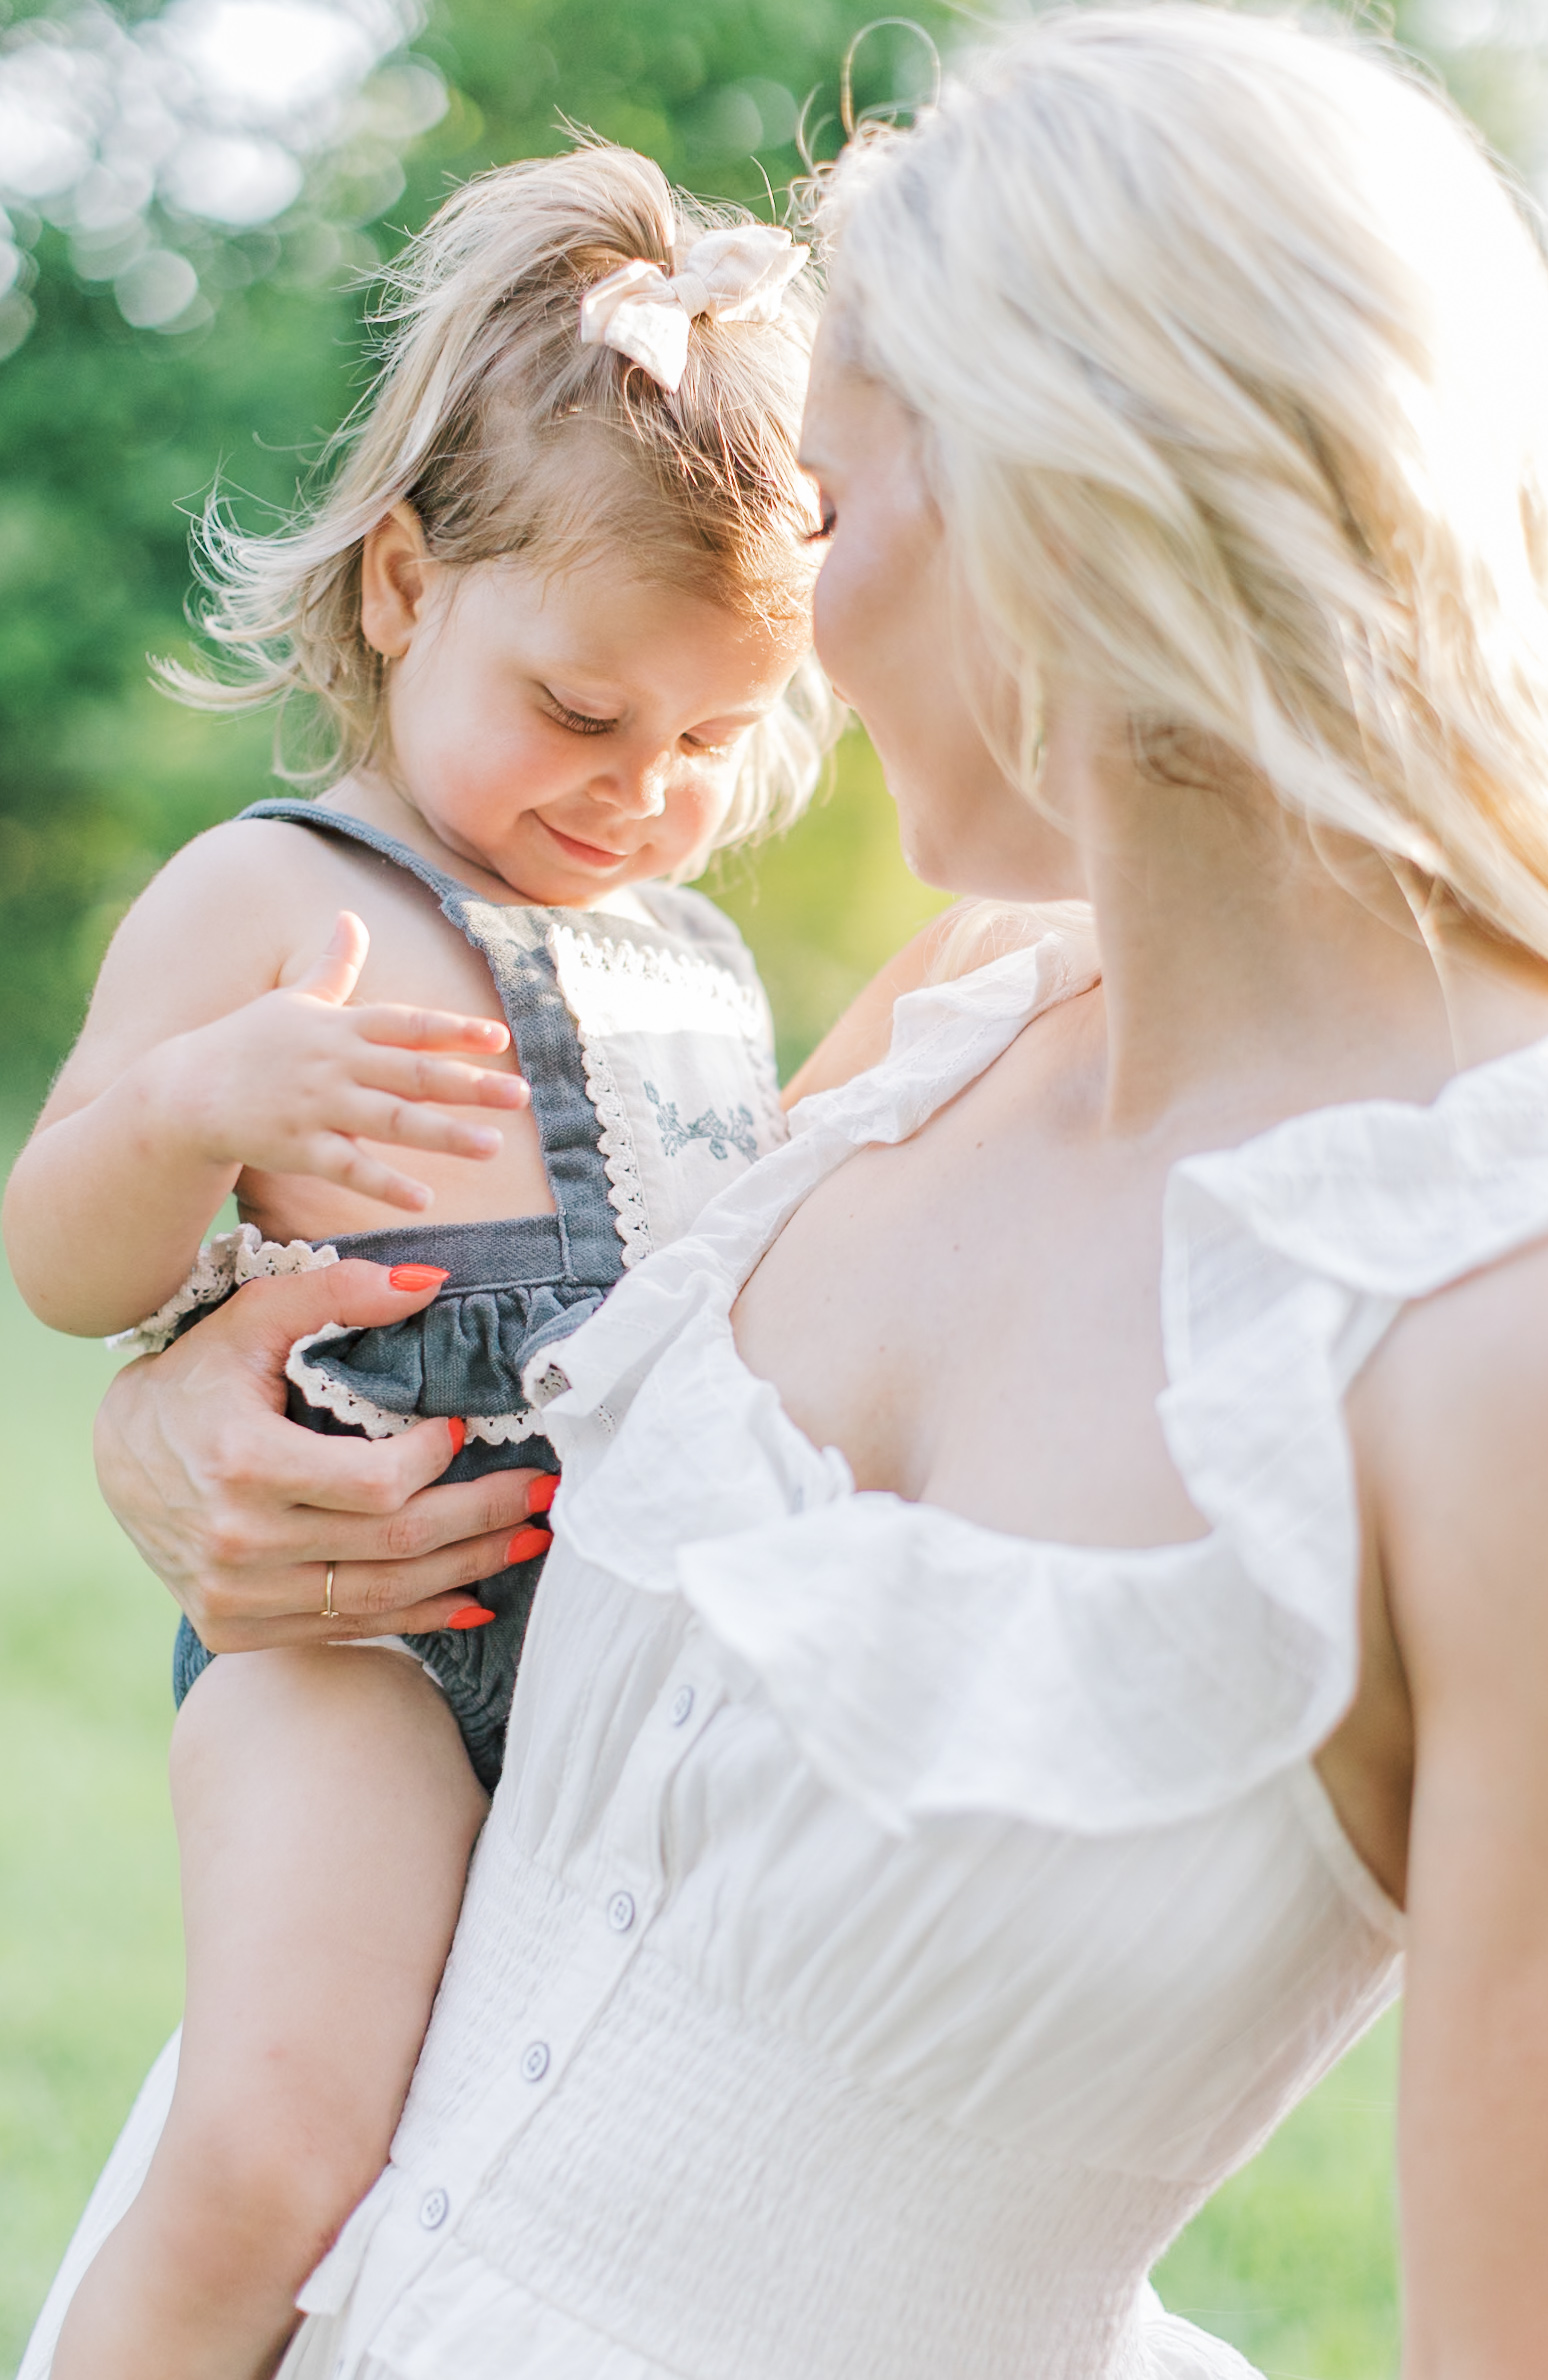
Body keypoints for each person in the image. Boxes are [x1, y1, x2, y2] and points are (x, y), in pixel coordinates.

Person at [26, 6, 1548, 2374]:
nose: (800, 654)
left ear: (1072, 506)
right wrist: (185, 1444)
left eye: (835, 517)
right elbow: (539, 1459)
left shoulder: (1511, 1325)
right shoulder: (933, 1029)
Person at [3, 142, 838, 2380]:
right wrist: (192, 1113)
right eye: (581, 713)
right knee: (282, 2144)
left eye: (710, 735)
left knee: (560, 2183)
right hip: (353, 1647)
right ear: (398, 584)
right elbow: (62, 1261)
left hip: (621, 1668)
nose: (639, 787)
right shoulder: (275, 894)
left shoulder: (687, 954)